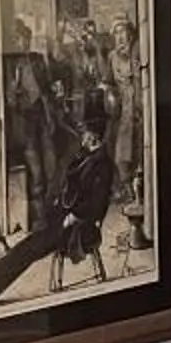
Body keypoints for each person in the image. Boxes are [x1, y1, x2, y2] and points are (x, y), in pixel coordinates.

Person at [49, 101, 116, 292]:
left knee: (33, 248)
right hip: (69, 219)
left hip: (82, 227)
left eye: (84, 134)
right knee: (30, 245)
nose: (81, 138)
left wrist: (72, 217)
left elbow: (96, 205)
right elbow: (72, 184)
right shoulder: (87, 157)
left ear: (94, 136)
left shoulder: (102, 165)